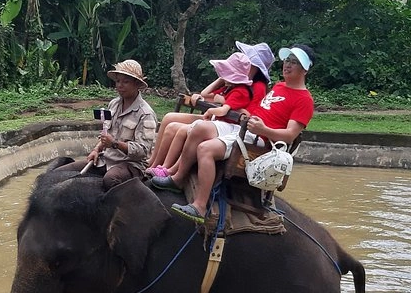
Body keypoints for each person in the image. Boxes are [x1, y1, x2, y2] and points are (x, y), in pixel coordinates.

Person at [151, 44, 316, 223]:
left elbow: (290, 135)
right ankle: (177, 177)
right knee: (199, 128)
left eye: (294, 62)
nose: (287, 65)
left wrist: (263, 130)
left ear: (305, 69)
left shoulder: (304, 100)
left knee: (205, 149)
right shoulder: (279, 86)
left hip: (259, 141)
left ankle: (199, 206)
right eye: (287, 60)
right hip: (244, 128)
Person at [146, 41, 274, 177]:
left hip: (228, 124)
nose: (245, 61)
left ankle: (163, 168)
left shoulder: (256, 87)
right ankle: (152, 161)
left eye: (249, 60)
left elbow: (249, 115)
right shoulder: (232, 83)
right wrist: (222, 77)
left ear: (256, 67)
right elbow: (208, 95)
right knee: (169, 118)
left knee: (174, 128)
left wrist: (225, 103)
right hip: (216, 118)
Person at [58, 59, 157, 189]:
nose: (120, 85)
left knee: (111, 179)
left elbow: (142, 151)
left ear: (137, 84)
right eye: (118, 81)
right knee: (62, 173)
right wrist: (96, 150)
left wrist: (115, 144)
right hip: (106, 159)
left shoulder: (145, 114)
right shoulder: (113, 104)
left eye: (125, 82)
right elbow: (107, 134)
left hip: (131, 164)